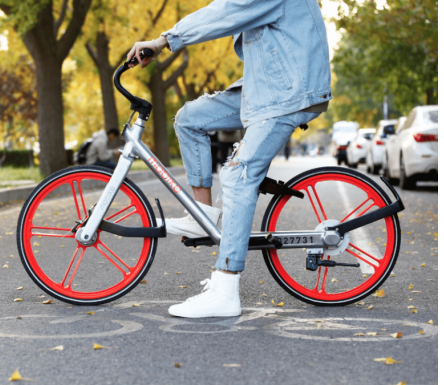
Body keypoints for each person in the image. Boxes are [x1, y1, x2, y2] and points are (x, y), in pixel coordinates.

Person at [127, 0, 331, 318]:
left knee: (238, 174)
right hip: (265, 88)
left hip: (288, 93)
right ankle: (202, 215)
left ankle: (226, 288)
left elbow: (225, 12)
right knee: (189, 118)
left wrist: (162, 41)